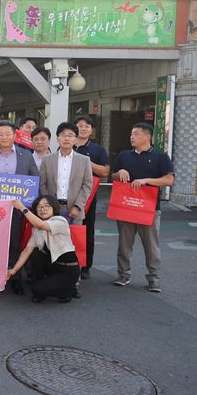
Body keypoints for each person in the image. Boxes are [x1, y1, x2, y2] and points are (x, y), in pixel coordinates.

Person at [111, 122, 174, 293]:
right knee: (124, 244)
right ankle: (123, 274)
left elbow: (169, 180)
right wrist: (119, 173)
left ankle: (153, 278)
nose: (132, 136)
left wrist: (146, 181)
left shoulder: (161, 157)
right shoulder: (124, 156)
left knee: (151, 245)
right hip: (126, 206)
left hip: (149, 208)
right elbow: (113, 176)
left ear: (147, 136)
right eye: (131, 134)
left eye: (136, 134)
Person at [0, 120, 40, 295]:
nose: (4, 137)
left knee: (14, 242)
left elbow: (34, 179)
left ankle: (14, 277)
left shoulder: (26, 155)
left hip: (16, 208)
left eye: (8, 134)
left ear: (15, 136)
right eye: (1, 134)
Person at [7, 196, 81, 303]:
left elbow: (41, 224)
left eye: (47, 206)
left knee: (37, 289)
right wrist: (13, 270)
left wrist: (22, 208)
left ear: (54, 208)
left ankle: (67, 290)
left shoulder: (61, 221)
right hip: (53, 266)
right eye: (39, 207)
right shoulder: (36, 229)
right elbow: (27, 251)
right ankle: (44, 286)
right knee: (35, 253)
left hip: (68, 270)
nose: (43, 210)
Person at [74, 115, 109, 280]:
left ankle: (85, 265)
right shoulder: (66, 145)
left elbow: (104, 172)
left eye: (87, 126)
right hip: (66, 195)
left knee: (87, 231)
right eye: (80, 125)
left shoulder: (98, 150)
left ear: (91, 130)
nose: (83, 128)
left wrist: (85, 161)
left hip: (88, 197)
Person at [39, 122, 93, 224]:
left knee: (74, 239)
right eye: (63, 135)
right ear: (57, 138)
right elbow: (42, 184)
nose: (66, 138)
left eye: (70, 135)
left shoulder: (84, 160)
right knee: (51, 239)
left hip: (74, 211)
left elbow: (87, 185)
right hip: (51, 210)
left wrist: (78, 206)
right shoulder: (47, 159)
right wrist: (48, 205)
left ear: (76, 139)